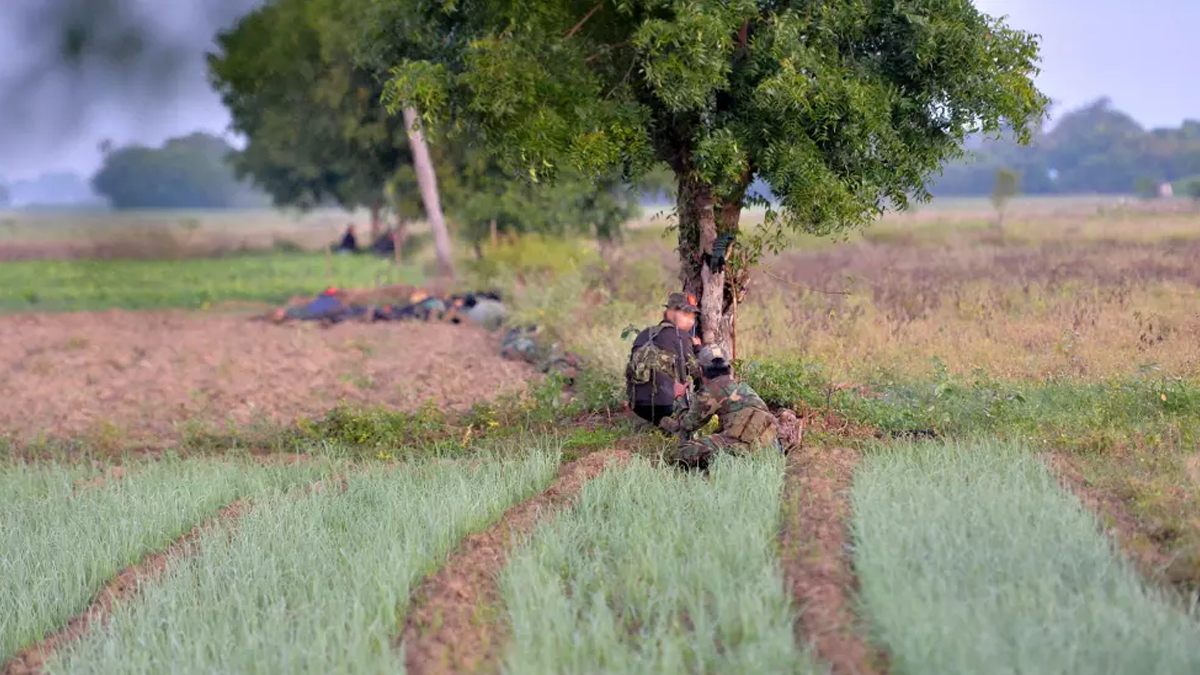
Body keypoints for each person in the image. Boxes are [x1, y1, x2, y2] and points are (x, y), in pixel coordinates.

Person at [659, 356, 780, 470]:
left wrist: (679, 397)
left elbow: (688, 424)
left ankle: (732, 463)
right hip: (768, 444)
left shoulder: (712, 389)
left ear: (701, 371)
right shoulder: (740, 385)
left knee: (683, 451)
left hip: (746, 445)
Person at [625, 292, 703, 426]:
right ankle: (673, 425)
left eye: (693, 317)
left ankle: (660, 423)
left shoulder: (645, 334)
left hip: (638, 406)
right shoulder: (681, 336)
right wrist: (698, 349)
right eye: (686, 315)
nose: (690, 321)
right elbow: (696, 372)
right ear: (671, 312)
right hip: (668, 405)